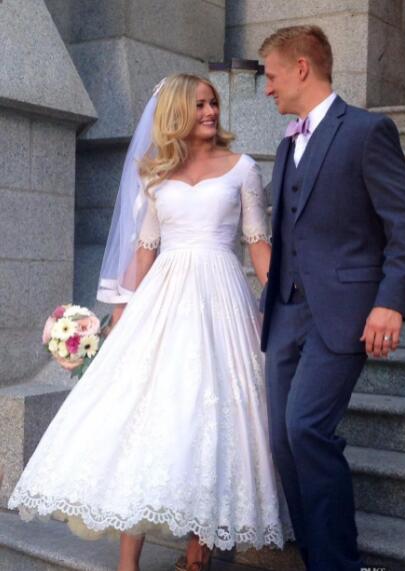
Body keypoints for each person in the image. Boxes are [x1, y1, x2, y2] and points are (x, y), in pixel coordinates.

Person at [8, 74, 291, 571]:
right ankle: (128, 564)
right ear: (178, 111)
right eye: (199, 104)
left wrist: (283, 299)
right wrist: (122, 314)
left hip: (221, 299)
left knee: (215, 414)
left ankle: (197, 556)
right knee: (143, 416)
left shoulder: (243, 168)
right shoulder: (156, 174)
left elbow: (257, 241)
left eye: (213, 103)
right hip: (163, 298)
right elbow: (144, 250)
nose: (210, 111)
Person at [258, 26, 405, 571]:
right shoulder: (287, 145)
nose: (267, 88)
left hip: (343, 312)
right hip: (286, 311)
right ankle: (318, 558)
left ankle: (336, 564)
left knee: (306, 426)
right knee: (283, 441)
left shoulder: (368, 131)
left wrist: (390, 302)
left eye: (272, 76)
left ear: (302, 68)